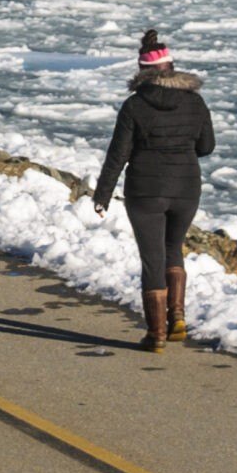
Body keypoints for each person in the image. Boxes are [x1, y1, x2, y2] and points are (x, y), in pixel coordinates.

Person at [92, 29, 215, 351]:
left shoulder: (134, 106)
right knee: (173, 249)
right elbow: (207, 146)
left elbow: (118, 154)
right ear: (171, 67)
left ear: (141, 71)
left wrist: (102, 194)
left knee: (152, 259)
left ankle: (156, 335)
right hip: (186, 187)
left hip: (145, 189)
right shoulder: (196, 102)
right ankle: (177, 316)